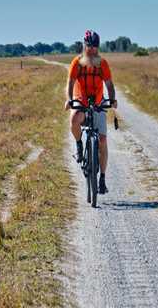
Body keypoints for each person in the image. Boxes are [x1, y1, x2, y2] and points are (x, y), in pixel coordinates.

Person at [64, 30, 117, 194]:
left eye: (95, 47)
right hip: (81, 99)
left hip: (98, 101)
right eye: (89, 46)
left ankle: (102, 179)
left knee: (102, 140)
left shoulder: (103, 64)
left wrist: (113, 99)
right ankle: (80, 145)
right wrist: (69, 99)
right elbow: (71, 82)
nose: (92, 50)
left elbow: (109, 84)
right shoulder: (77, 63)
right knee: (74, 120)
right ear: (84, 46)